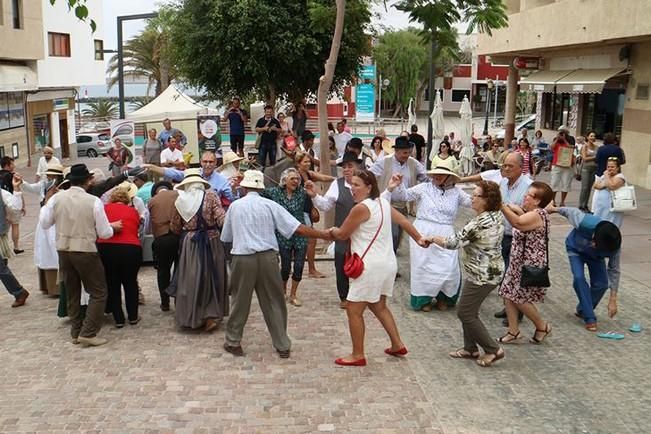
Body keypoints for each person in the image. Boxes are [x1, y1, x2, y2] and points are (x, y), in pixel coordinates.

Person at [221, 170, 331, 358]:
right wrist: (323, 234)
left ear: (245, 187)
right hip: (268, 257)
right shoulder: (270, 205)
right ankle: (282, 344)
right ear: (261, 187)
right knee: (274, 301)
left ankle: (233, 341)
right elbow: (298, 228)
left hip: (243, 257)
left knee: (240, 301)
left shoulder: (235, 206)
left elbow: (227, 237)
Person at [327, 170, 428, 367]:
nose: (352, 189)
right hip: (387, 263)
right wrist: (419, 238)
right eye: (351, 185)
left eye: (357, 185)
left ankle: (358, 354)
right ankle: (397, 344)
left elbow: (342, 234)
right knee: (379, 306)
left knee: (353, 310)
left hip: (368, 266)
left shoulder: (361, 208)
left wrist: (331, 231)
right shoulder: (382, 203)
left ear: (369, 187)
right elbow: (405, 221)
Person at [40, 164, 123, 346]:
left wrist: (48, 201)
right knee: (99, 292)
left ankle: (76, 331)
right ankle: (89, 332)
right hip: (85, 249)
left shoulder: (57, 199)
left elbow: (45, 222)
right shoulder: (93, 201)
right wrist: (113, 227)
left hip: (63, 249)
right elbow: (105, 233)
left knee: (72, 291)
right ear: (88, 180)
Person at [427, 181, 505, 367]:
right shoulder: (495, 215)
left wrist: (431, 238)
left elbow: (453, 243)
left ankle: (493, 349)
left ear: (487, 200)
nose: (472, 198)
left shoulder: (479, 223)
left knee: (465, 312)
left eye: (476, 195)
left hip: (482, 274)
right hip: (488, 271)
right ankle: (470, 348)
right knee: (470, 310)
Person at [387, 158, 471, 311]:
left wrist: (488, 193)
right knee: (423, 266)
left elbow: (473, 202)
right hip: (423, 230)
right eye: (435, 174)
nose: (437, 177)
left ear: (449, 177)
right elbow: (404, 196)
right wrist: (398, 184)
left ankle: (443, 298)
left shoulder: (457, 193)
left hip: (446, 233)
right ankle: (424, 300)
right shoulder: (424, 187)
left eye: (441, 174)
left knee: (448, 267)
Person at [461, 152, 532, 325]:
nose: (505, 169)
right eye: (504, 165)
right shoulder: (504, 183)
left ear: (520, 167)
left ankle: (518, 314)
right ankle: (509, 308)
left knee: (513, 275)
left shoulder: (529, 186)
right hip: (502, 235)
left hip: (519, 236)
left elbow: (532, 212)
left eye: (510, 166)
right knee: (505, 274)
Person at [168, 169, 228, 332]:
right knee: (212, 275)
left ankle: (194, 316)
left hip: (190, 242)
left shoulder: (180, 200)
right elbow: (222, 219)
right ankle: (211, 315)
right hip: (212, 239)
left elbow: (174, 226)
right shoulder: (211, 196)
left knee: (191, 278)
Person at [547, 204, 621, 331]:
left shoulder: (614, 246)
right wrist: (553, 209)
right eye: (594, 242)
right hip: (576, 248)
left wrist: (613, 299)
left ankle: (582, 309)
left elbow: (614, 270)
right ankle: (590, 318)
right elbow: (569, 211)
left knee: (602, 284)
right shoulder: (584, 221)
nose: (593, 244)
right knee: (579, 278)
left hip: (596, 258)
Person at [497, 182, 554, 345]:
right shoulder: (531, 213)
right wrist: (516, 209)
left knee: (519, 298)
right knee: (508, 293)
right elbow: (522, 219)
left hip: (528, 263)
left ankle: (542, 326)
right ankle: (513, 331)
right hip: (517, 262)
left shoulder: (538, 214)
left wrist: (502, 206)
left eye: (528, 195)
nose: (524, 196)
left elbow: (518, 223)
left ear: (537, 201)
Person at [306, 152, 361, 308]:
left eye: (350, 166)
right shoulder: (337, 184)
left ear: (358, 166)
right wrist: (314, 195)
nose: (346, 169)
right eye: (344, 167)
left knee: (364, 264)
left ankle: (362, 296)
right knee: (341, 264)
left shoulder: (366, 182)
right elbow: (325, 205)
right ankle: (344, 297)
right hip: (342, 233)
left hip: (362, 233)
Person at [371, 136, 428, 254]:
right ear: (396, 151)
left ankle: (391, 260)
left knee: (398, 237)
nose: (407, 155)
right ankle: (388, 263)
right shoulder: (384, 161)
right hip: (387, 205)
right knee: (392, 235)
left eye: (408, 152)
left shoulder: (413, 163)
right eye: (404, 153)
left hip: (403, 206)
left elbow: (425, 177)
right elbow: (369, 175)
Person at [261, 168, 309, 306]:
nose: (295, 181)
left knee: (299, 266)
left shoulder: (301, 192)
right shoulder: (275, 193)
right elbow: (260, 192)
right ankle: (282, 292)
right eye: (292, 178)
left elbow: (312, 193)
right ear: (284, 180)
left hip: (300, 233)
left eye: (297, 179)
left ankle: (293, 294)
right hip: (283, 234)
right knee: (286, 266)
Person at [97, 184, 143, 328]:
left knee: (112, 283)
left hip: (107, 247)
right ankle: (133, 316)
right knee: (130, 283)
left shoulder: (104, 210)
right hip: (130, 248)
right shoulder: (132, 211)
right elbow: (136, 227)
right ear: (127, 199)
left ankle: (118, 319)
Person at [591, 157, 626, 320]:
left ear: (618, 168)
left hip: (613, 230)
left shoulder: (621, 178)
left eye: (613, 167)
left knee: (614, 267)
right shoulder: (604, 177)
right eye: (608, 167)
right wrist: (605, 180)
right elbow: (596, 186)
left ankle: (613, 297)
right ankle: (589, 302)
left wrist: (607, 177)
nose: (610, 169)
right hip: (598, 226)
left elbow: (612, 185)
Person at [294, 151, 335, 278]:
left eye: (308, 161)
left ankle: (306, 268)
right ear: (298, 163)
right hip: (299, 211)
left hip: (307, 210)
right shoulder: (295, 176)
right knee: (311, 239)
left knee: (307, 240)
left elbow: (323, 177)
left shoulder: (308, 174)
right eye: (305, 162)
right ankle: (311, 269)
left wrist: (338, 180)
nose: (308, 164)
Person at [146, 151, 237, 205]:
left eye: (211, 162)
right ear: (201, 162)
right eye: (205, 162)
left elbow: (232, 199)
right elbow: (174, 173)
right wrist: (152, 167)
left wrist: (233, 189)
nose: (208, 165)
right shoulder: (193, 173)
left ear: (215, 162)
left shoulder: (222, 180)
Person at [31, 162, 65, 297]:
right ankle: (47, 286)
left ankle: (56, 288)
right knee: (45, 251)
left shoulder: (58, 192)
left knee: (52, 253)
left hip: (52, 224)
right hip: (45, 223)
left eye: (51, 176)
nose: (49, 178)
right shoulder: (46, 187)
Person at [147, 181, 178, 311]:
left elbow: (148, 227)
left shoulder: (152, 201)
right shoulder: (177, 195)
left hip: (161, 239)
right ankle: (179, 299)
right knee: (179, 269)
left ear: (155, 191)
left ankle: (165, 302)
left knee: (163, 271)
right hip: (178, 236)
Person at [0, 173, 29, 307]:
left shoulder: (2, 193)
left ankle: (19, 291)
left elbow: (15, 207)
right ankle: (18, 291)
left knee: (1, 267)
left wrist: (16, 188)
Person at [0, 157, 25, 254]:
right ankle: (16, 247)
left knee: (3, 226)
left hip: (1, 204)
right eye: (12, 164)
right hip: (12, 203)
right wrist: (23, 205)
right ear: (7, 165)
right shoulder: (12, 176)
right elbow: (18, 189)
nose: (14, 166)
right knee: (15, 225)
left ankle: (4, 246)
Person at [550, 129, 575, 207]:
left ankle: (562, 201)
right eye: (560, 133)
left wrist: (564, 140)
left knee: (566, 184)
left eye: (563, 133)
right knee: (554, 183)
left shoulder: (570, 140)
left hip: (567, 166)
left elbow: (571, 148)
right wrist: (557, 138)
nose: (562, 134)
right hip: (557, 165)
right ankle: (553, 200)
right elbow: (552, 147)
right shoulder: (556, 140)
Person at [255, 105, 281, 169]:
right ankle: (261, 173)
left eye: (270, 112)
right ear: (265, 112)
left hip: (272, 143)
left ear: (272, 112)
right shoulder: (261, 120)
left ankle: (272, 174)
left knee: (273, 161)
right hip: (263, 143)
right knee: (261, 161)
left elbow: (280, 130)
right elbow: (256, 129)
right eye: (267, 112)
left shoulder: (275, 121)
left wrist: (275, 129)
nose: (269, 113)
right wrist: (264, 129)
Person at [578, 131, 599, 212]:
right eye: (591, 136)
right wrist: (594, 157)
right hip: (585, 169)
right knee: (585, 187)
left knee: (589, 188)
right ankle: (581, 205)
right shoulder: (584, 147)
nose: (593, 138)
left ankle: (585, 205)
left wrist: (595, 157)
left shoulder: (597, 147)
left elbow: (598, 157)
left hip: (594, 169)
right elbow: (584, 158)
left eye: (594, 136)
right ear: (587, 137)